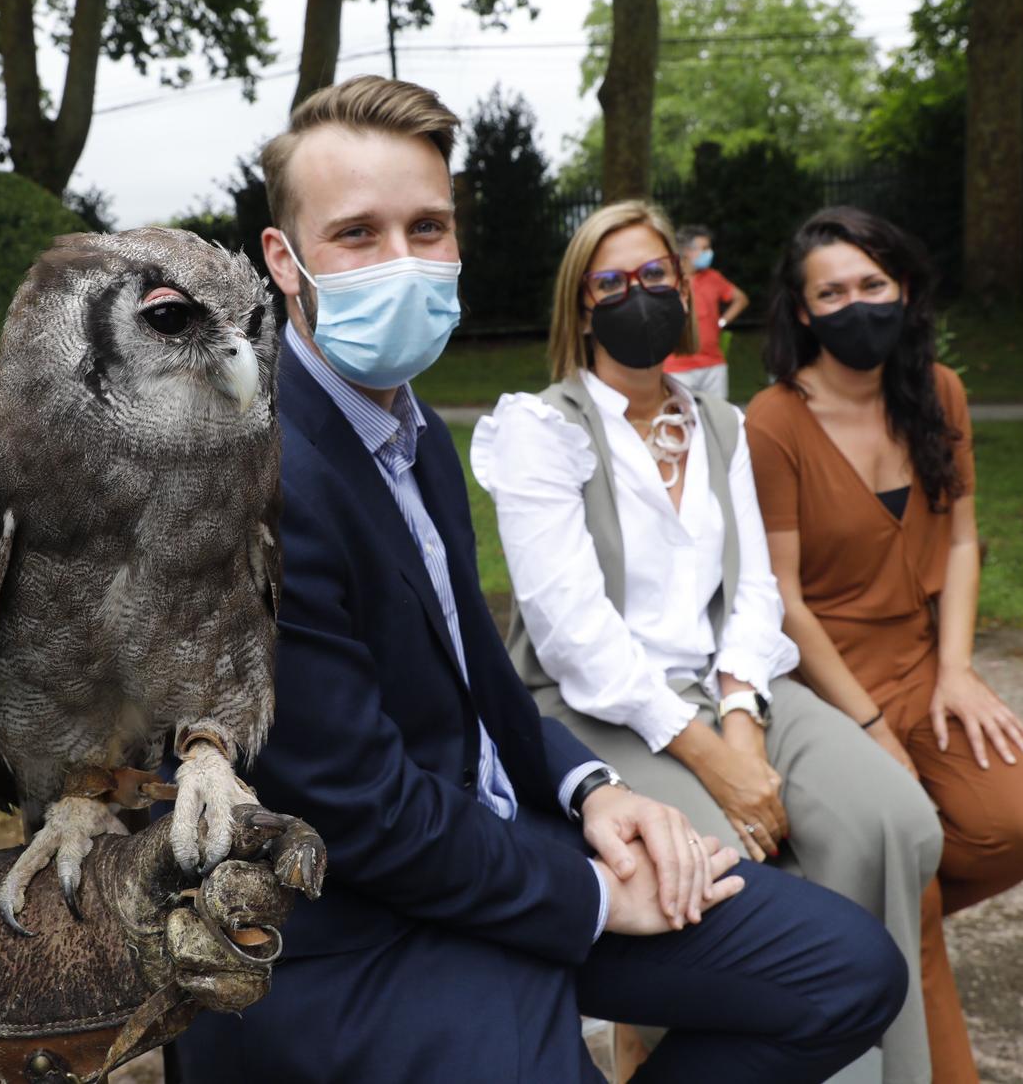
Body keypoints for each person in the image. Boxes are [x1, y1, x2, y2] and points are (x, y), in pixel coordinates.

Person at [173, 76, 908, 1083]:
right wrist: (594, 898)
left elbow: (476, 664)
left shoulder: (413, 425)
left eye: (427, 226)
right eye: (356, 234)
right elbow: (359, 810)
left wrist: (589, 788)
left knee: (848, 972)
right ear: (281, 260)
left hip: (500, 845)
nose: (401, 262)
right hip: (361, 925)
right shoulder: (252, 480)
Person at [473, 200, 947, 1084]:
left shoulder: (717, 423)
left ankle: (871, 1060)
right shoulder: (542, 429)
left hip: (725, 689)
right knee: (714, 871)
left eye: (655, 277)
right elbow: (574, 635)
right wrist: (711, 757)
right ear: (581, 308)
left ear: (686, 290)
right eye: (610, 283)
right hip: (597, 710)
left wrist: (742, 717)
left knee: (892, 820)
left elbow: (756, 586)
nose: (637, 295)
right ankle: (728, 1038)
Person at [745, 207, 1023, 1083]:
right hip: (824, 684)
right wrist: (870, 728)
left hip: (927, 665)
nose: (858, 304)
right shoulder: (772, 422)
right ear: (803, 311)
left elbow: (962, 538)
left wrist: (957, 671)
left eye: (873, 285)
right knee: (914, 881)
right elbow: (780, 600)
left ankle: (837, 931)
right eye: (833, 292)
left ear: (903, 288)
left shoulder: (940, 391)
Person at [664, 223, 749, 399]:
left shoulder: (713, 277)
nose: (709, 252)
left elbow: (741, 299)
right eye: (704, 248)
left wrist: (721, 322)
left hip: (713, 364)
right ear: (686, 250)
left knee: (718, 419)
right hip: (676, 367)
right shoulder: (669, 279)